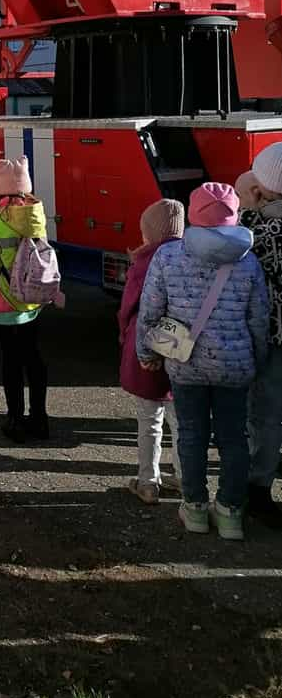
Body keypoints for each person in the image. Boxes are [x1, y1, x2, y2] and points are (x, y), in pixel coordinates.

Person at [136, 182, 269, 540]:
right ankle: (229, 514)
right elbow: (259, 318)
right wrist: (257, 360)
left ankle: (194, 509)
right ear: (234, 215)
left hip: (186, 364)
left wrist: (146, 353)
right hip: (235, 366)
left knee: (192, 435)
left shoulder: (168, 256)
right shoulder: (248, 261)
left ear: (194, 215)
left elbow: (150, 311)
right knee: (234, 439)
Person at [0, 156, 50, 443]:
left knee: (11, 362)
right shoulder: (36, 216)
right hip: (33, 298)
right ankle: (40, 418)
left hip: (4, 300)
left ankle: (15, 419)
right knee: (34, 358)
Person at [118, 200, 185, 504]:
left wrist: (124, 334)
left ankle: (148, 482)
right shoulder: (190, 259)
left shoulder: (143, 263)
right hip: (181, 349)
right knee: (181, 419)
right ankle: (185, 477)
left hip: (145, 347)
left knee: (149, 419)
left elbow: (128, 308)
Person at [239, 145, 282, 529]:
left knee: (265, 415)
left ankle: (257, 487)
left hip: (269, 335)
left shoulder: (258, 230)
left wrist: (247, 205)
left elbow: (232, 244)